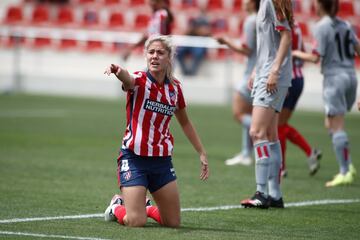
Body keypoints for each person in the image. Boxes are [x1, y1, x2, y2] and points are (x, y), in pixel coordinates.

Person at [103, 35, 209, 227]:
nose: (154, 56)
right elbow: (127, 79)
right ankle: (116, 206)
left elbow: (185, 122)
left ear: (169, 57)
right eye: (151, 52)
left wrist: (201, 151)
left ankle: (147, 206)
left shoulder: (175, 88)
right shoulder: (140, 80)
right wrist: (117, 70)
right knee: (136, 221)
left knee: (173, 223)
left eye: (160, 53)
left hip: (161, 161)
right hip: (134, 159)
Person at [292, 0, 359, 187]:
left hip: (334, 79)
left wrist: (295, 53)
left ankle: (344, 171)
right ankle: (348, 164)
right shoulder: (345, 24)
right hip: (351, 77)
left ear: (320, 5)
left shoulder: (321, 26)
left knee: (336, 126)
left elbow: (315, 57)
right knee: (330, 123)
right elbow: (358, 49)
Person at [240, 0, 293, 209]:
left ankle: (261, 192)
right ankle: (275, 194)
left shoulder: (271, 1)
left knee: (256, 132)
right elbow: (267, 45)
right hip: (266, 72)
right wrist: (257, 70)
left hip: (272, 76)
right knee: (270, 135)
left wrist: (274, 70)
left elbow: (286, 36)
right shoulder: (265, 3)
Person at [215, 0, 260, 166]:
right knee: (248, 114)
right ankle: (247, 153)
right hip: (258, 71)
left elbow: (247, 49)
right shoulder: (260, 19)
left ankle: (264, 131)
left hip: (252, 73)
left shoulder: (251, 20)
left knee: (239, 113)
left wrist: (226, 42)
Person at [278, 20, 322, 178]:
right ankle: (311, 153)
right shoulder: (296, 25)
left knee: (278, 125)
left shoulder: (282, 24)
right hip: (297, 78)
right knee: (281, 125)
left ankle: (281, 168)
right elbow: (302, 51)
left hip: (287, 78)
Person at [176, 8, 211, 76]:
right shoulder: (194, 20)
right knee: (179, 51)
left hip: (200, 44)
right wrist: (195, 30)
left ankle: (192, 72)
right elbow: (187, 32)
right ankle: (185, 71)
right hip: (190, 43)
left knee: (198, 53)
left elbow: (204, 32)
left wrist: (196, 30)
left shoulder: (206, 22)